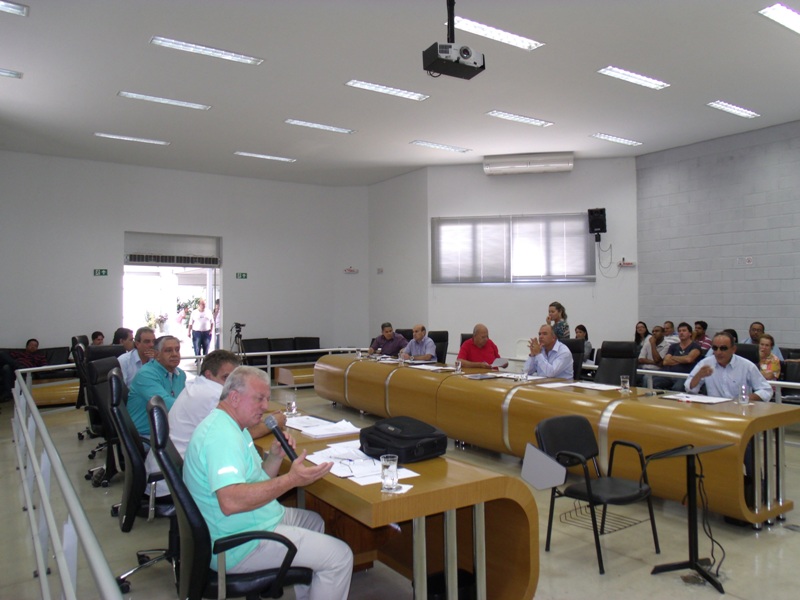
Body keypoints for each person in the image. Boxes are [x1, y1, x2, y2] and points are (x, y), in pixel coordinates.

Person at [183, 366, 353, 600]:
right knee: (340, 556)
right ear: (234, 397)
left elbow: (254, 482)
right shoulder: (221, 437)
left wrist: (274, 457)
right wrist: (290, 480)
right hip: (237, 544)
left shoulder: (233, 426)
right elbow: (231, 501)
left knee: (313, 521)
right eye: (259, 399)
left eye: (267, 399)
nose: (265, 407)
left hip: (251, 520)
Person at [685, 331, 773, 402]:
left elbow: (766, 390)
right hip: (714, 411)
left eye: (723, 348)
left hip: (739, 410)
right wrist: (698, 376)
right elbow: (689, 389)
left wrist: (746, 398)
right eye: (715, 348)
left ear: (733, 349)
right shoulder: (705, 363)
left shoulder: (747, 366)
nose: (718, 352)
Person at [127, 335, 186, 437]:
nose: (175, 354)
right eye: (168, 351)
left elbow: (184, 400)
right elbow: (166, 404)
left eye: (177, 350)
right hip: (145, 435)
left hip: (167, 430)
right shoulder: (146, 374)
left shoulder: (180, 374)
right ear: (156, 355)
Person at [653, 322, 702, 391]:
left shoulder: (695, 346)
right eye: (679, 331)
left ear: (690, 333)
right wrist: (683, 359)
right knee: (652, 382)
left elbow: (688, 359)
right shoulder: (673, 346)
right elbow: (666, 362)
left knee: (677, 388)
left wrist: (673, 357)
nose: (681, 333)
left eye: (684, 331)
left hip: (684, 376)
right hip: (669, 374)